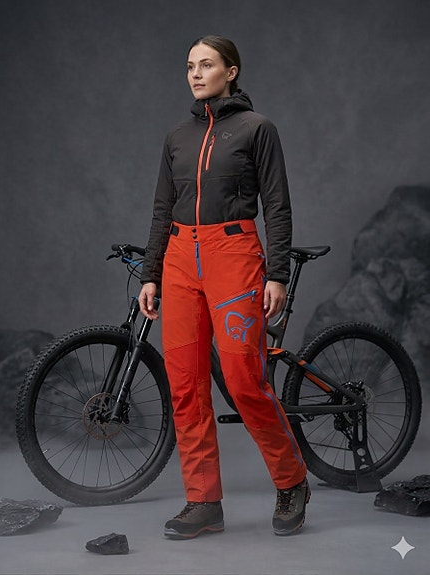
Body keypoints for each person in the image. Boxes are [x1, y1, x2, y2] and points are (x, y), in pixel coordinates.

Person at [139, 35, 309, 540]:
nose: (195, 74)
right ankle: (203, 501)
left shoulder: (257, 128)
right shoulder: (176, 136)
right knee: (185, 385)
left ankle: (292, 481)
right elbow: (161, 209)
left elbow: (277, 205)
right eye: (190, 65)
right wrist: (151, 273)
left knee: (243, 380)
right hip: (178, 259)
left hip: (233, 255)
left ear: (230, 71)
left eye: (206, 64)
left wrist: (277, 273)